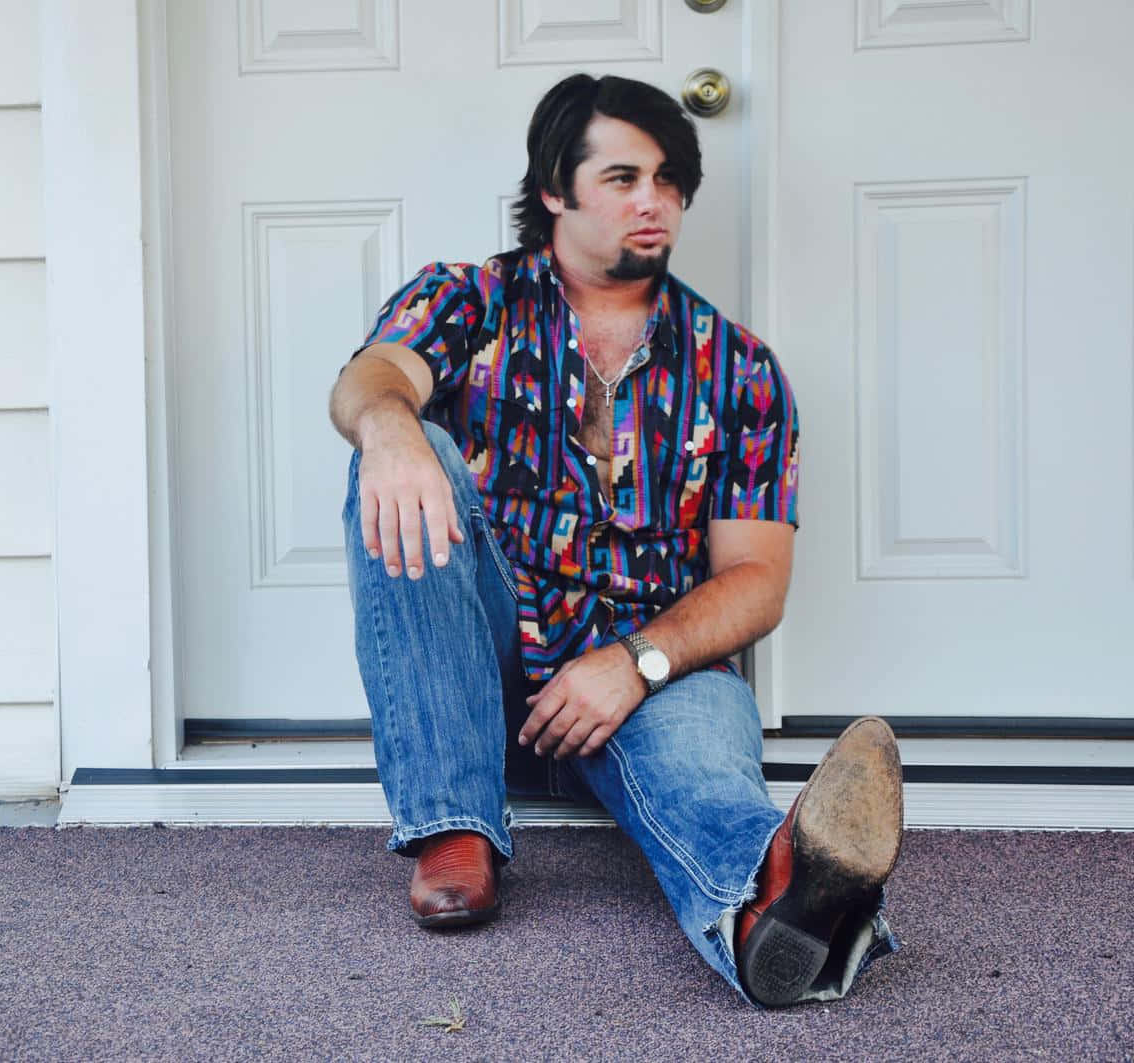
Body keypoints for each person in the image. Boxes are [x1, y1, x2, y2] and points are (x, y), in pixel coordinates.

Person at [326, 73, 903, 1008]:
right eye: (625, 175)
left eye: (670, 180)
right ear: (555, 188)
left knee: (704, 777)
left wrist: (635, 661)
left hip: (652, 667)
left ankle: (769, 903)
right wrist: (390, 430)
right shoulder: (471, 301)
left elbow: (757, 579)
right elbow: (373, 376)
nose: (655, 200)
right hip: (485, 662)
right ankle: (452, 821)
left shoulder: (740, 368)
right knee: (402, 444)